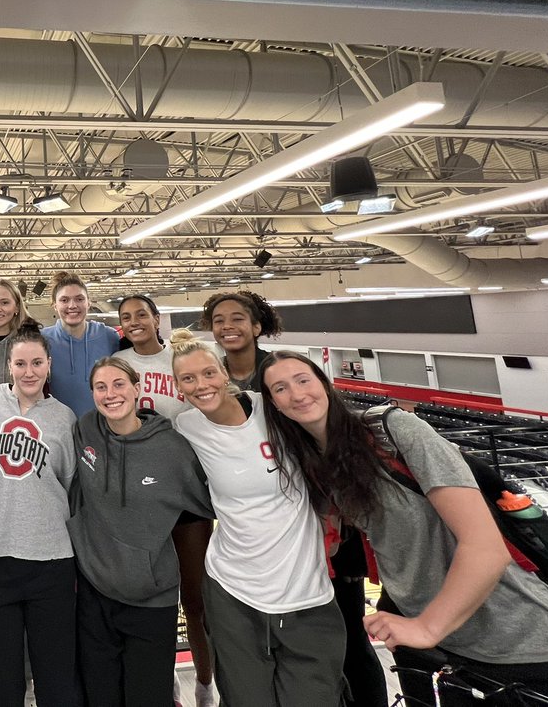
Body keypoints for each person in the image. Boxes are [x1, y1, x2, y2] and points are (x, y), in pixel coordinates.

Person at [260, 351, 548, 705]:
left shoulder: (394, 429)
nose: (296, 394)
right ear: (273, 404)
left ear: (324, 384)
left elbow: (486, 549)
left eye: (303, 379)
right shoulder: (317, 462)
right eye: (280, 388)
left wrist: (426, 626)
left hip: (515, 637)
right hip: (431, 647)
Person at [170, 332, 345, 707]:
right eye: (188, 379)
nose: (201, 385)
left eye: (208, 373)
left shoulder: (274, 409)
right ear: (178, 387)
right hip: (233, 590)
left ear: (223, 372)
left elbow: (334, 439)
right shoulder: (186, 428)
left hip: (305, 593)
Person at [68, 355, 213, 707]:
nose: (110, 394)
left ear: (137, 389)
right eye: (100, 387)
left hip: (151, 599)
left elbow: (204, 506)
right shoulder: (85, 430)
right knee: (100, 695)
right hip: (94, 593)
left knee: (147, 697)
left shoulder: (173, 450)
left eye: (119, 385)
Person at [0, 321, 79, 707]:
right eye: (21, 363)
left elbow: (69, 483)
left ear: (48, 366)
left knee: (56, 671)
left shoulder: (64, 418)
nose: (29, 372)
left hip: (51, 561)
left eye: (37, 363)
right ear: (9, 366)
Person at [115, 295, 215, 707]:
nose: (135, 322)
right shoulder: (119, 364)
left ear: (157, 319)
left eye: (142, 314)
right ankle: (166, 682)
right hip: (139, 497)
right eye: (126, 317)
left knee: (197, 599)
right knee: (154, 601)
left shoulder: (179, 360)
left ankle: (206, 686)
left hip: (187, 492)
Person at [41, 271, 118, 418]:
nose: (72, 305)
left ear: (88, 302)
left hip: (101, 428)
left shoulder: (109, 336)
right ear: (54, 306)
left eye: (79, 299)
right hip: (58, 427)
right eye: (64, 300)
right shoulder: (42, 340)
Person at [198, 290, 282, 392]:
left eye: (237, 319)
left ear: (256, 327)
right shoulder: (208, 375)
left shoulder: (280, 368)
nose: (227, 326)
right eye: (219, 321)